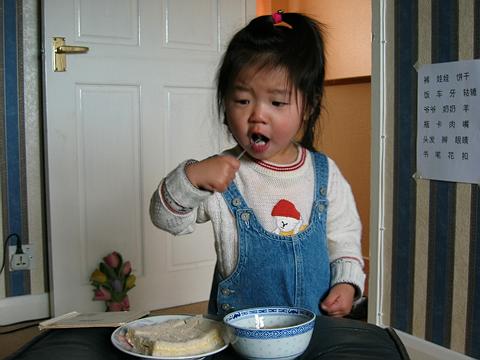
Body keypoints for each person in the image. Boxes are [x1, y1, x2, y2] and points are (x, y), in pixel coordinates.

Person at [150, 11, 365, 318]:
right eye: (242, 100)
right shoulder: (220, 176)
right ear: (225, 102)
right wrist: (192, 177)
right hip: (237, 337)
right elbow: (165, 219)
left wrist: (346, 284)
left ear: (310, 105)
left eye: (277, 102)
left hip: (312, 333)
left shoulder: (324, 174)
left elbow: (344, 238)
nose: (258, 115)